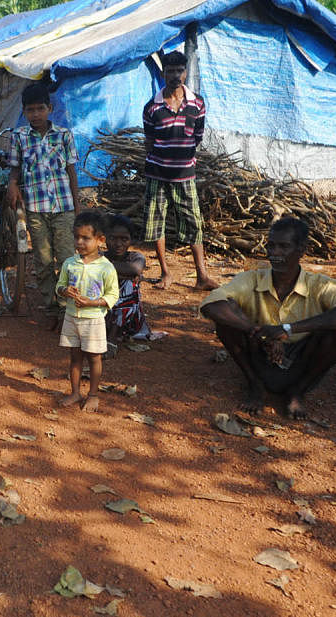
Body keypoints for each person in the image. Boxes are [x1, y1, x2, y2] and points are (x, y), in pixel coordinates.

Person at [199, 218, 336, 418]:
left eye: (284, 246)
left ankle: (298, 391)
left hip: (301, 356)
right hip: (260, 349)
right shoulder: (252, 279)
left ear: (301, 250)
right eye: (271, 246)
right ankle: (255, 384)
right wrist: (257, 331)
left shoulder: (319, 285)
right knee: (227, 317)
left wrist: (287, 329)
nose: (274, 253)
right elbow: (211, 305)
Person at [141, 50, 215, 291]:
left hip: (185, 175)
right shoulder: (152, 107)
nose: (175, 75)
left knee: (194, 223)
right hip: (157, 175)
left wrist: (181, 159)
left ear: (185, 72)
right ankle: (165, 273)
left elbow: (197, 137)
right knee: (156, 223)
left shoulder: (198, 104)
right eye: (170, 71)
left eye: (179, 71)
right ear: (163, 74)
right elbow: (149, 142)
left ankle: (202, 275)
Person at [7, 82, 79, 324]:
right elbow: (15, 169)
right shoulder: (19, 136)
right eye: (30, 110)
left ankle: (67, 306)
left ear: (49, 108)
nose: (35, 114)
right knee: (43, 259)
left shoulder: (64, 135)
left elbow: (71, 171)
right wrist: (12, 186)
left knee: (67, 258)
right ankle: (50, 306)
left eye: (40, 109)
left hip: (63, 206)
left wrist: (77, 206)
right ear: (24, 112)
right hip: (36, 208)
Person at [56, 211, 119, 413]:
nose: (79, 242)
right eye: (76, 237)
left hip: (93, 320)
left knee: (94, 358)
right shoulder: (69, 263)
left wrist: (93, 302)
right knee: (75, 357)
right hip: (71, 317)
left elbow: (112, 295)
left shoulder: (106, 268)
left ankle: (93, 395)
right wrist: (65, 291)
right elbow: (59, 286)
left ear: (100, 240)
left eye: (86, 238)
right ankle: (75, 392)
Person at [104, 215, 152, 347]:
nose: (118, 244)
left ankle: (112, 338)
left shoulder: (136, 257)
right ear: (105, 238)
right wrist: (124, 273)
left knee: (130, 284)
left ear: (131, 240)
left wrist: (102, 267)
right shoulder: (99, 256)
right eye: (113, 238)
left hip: (129, 321)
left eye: (124, 239)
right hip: (101, 312)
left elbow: (135, 270)